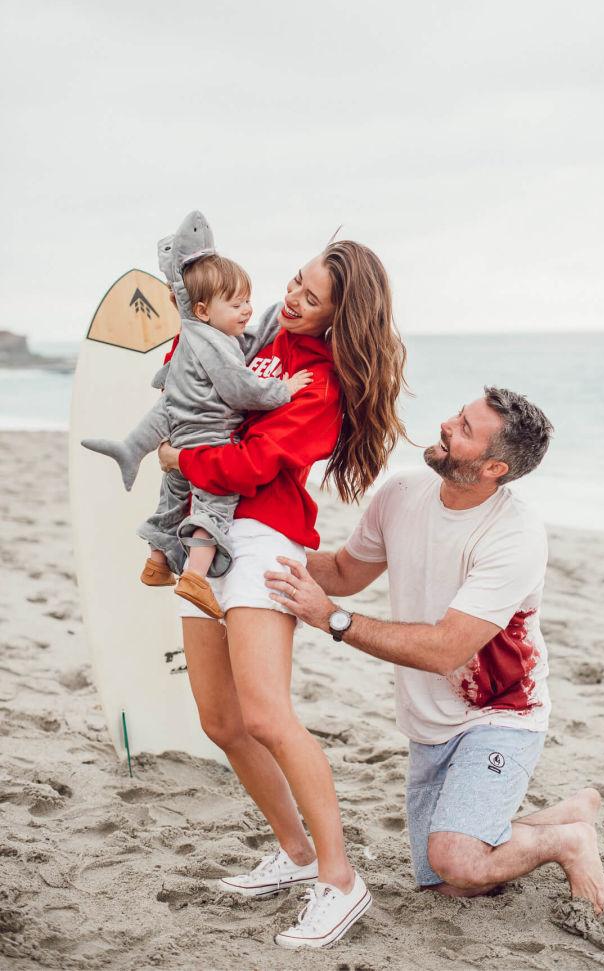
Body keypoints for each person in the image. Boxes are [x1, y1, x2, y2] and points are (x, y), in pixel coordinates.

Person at [264, 388, 604, 916]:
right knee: (445, 882)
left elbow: (446, 649)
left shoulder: (514, 536)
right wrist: (258, 539)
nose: (447, 425)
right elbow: (343, 572)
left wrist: (330, 617)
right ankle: (567, 813)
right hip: (427, 720)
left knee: (457, 859)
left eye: (466, 429)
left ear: (494, 466)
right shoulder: (401, 492)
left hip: (500, 714)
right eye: (459, 415)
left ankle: (569, 840)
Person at [156, 240, 407, 948]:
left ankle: (338, 877)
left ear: (339, 316)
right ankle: (295, 854)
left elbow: (255, 462)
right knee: (220, 719)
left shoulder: (323, 383)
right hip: (202, 532)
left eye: (312, 297)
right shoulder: (261, 333)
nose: (294, 296)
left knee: (267, 714)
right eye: (296, 280)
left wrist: (184, 457)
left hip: (263, 536)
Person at [82, 211, 311, 619]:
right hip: (209, 442)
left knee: (172, 501)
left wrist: (270, 321)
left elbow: (237, 348)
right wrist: (284, 390)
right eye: (237, 304)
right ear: (203, 310)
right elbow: (239, 386)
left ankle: (156, 562)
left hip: (179, 441)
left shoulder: (196, 335)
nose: (247, 310)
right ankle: (195, 577)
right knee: (212, 509)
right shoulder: (216, 345)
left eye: (249, 302)